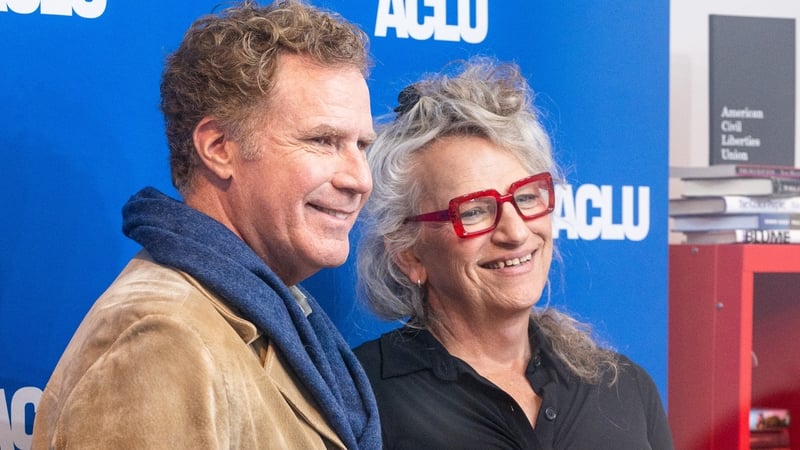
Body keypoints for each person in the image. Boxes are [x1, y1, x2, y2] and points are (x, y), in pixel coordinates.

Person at [32, 1, 381, 448]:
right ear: (218, 147)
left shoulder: (268, 314)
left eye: (361, 145)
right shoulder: (161, 336)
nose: (359, 179)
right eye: (323, 141)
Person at [353, 57, 674, 449]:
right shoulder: (360, 397)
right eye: (473, 210)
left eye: (525, 197)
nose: (516, 231)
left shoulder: (623, 387)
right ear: (409, 254)